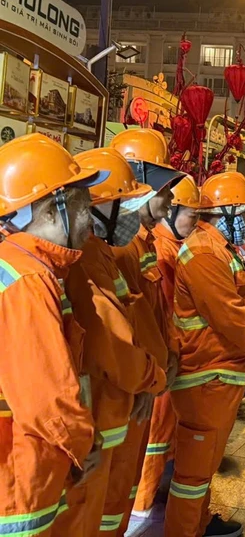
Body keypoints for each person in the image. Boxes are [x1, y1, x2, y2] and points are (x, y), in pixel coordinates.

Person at [55, 148, 167, 536]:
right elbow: (111, 338)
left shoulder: (99, 253)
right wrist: (151, 378)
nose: (134, 214)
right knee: (93, 515)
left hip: (116, 405)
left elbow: (133, 317)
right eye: (126, 203)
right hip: (103, 409)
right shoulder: (85, 259)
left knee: (109, 509)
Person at [0, 134, 105, 537]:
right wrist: (83, 445)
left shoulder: (20, 267)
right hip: (18, 476)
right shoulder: (28, 280)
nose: (91, 224)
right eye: (82, 209)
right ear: (49, 209)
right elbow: (50, 398)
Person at [165, 172, 245, 537]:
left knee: (204, 465)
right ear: (224, 212)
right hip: (205, 374)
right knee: (194, 471)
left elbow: (241, 307)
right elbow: (232, 317)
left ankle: (198, 523)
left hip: (217, 371)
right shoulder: (203, 253)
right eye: (242, 213)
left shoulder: (215, 249)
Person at [109, 128, 185, 535]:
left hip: (146, 387)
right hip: (128, 393)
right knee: (109, 500)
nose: (170, 201)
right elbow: (121, 332)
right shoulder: (119, 251)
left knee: (120, 498)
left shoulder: (143, 244)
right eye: (164, 190)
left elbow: (157, 317)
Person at [132, 175, 200, 519]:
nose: (195, 222)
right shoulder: (157, 248)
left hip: (169, 355)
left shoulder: (168, 246)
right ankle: (142, 506)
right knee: (155, 436)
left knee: (162, 433)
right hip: (158, 360)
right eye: (191, 214)